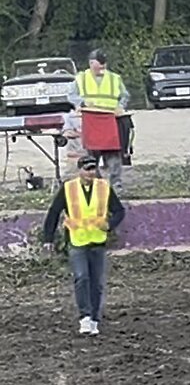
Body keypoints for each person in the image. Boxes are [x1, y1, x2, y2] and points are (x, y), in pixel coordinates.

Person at [41, 155, 126, 336]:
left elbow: (119, 210)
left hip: (98, 241)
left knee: (97, 283)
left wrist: (110, 225)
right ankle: (85, 317)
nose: (90, 173)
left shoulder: (104, 188)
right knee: (81, 277)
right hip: (77, 240)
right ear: (79, 170)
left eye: (93, 169)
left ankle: (95, 318)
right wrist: (48, 239)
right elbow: (54, 213)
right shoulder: (68, 189)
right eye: (86, 169)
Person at [70, 49, 131, 188]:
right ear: (91, 63)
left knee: (113, 153)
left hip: (110, 120)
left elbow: (125, 95)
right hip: (91, 120)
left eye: (104, 66)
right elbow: (71, 95)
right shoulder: (81, 78)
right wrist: (82, 103)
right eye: (99, 65)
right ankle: (95, 183)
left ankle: (116, 184)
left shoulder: (115, 78)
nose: (102, 68)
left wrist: (120, 107)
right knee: (91, 154)